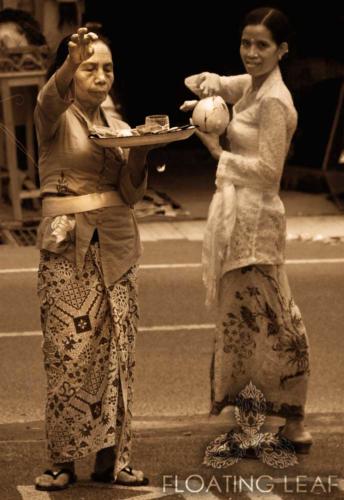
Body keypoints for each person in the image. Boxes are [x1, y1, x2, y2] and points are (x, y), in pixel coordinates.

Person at [182, 7, 313, 459]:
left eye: (262, 45)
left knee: (274, 321)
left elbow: (268, 172)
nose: (252, 52)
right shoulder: (253, 85)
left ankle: (291, 421)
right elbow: (218, 83)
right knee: (244, 326)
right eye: (246, 43)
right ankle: (257, 422)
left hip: (257, 222)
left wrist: (217, 150)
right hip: (238, 220)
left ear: (283, 50)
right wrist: (205, 97)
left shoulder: (275, 99)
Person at [34, 27, 154, 491]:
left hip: (118, 248)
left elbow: (129, 193)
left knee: (117, 358)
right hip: (68, 252)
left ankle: (113, 462)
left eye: (106, 67)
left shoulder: (118, 125)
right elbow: (48, 97)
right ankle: (63, 461)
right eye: (89, 67)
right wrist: (67, 63)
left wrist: (141, 155)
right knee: (69, 358)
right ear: (71, 72)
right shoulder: (55, 116)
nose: (100, 75)